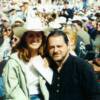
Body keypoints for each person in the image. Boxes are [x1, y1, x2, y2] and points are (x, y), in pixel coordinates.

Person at [45, 29, 100, 100]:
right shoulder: (49, 67)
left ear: (67, 45)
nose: (55, 50)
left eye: (59, 46)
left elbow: (95, 95)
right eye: (51, 47)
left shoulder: (82, 67)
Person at [2, 26, 53, 100]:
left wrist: (49, 60)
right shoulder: (14, 61)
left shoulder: (45, 58)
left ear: (42, 38)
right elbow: (12, 90)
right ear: (25, 38)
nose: (35, 39)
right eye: (31, 35)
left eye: (38, 35)